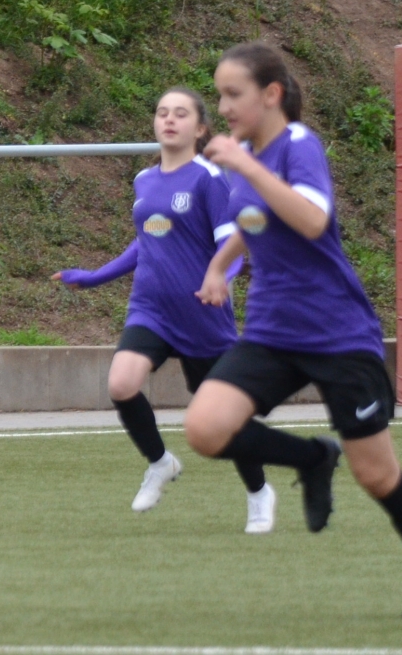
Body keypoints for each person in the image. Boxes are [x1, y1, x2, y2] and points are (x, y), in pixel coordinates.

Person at [182, 42, 402, 618]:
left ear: (271, 94)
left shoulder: (298, 145)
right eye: (219, 94)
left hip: (337, 333)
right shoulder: (246, 155)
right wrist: (221, 263)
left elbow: (311, 218)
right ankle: (312, 459)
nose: (223, 106)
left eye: (233, 94)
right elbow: (254, 219)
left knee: (377, 474)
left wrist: (242, 166)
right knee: (205, 428)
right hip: (272, 329)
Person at [53, 87, 272, 530]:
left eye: (181, 114)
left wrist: (220, 281)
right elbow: (147, 239)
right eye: (162, 113)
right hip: (151, 309)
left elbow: (231, 245)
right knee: (121, 383)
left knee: (222, 424)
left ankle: (258, 492)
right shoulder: (144, 181)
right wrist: (93, 276)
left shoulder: (209, 179)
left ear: (201, 128)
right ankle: (160, 462)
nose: (169, 120)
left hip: (202, 316)